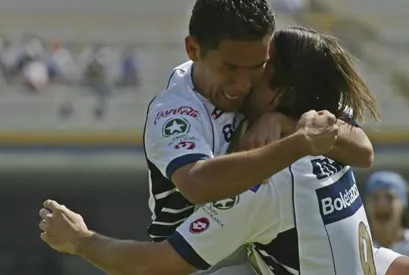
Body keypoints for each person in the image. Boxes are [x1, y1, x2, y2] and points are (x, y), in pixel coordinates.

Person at [38, 27, 409, 275]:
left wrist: (81, 240)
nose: (248, 77)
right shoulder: (322, 138)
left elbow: (156, 265)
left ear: (282, 93)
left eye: (262, 69)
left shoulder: (266, 184)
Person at [144, 0, 372, 245]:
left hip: (254, 247)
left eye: (257, 67)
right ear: (193, 49)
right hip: (196, 258)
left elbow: (362, 151)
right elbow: (198, 183)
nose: (243, 84)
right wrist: (300, 142)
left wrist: (284, 122)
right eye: (229, 68)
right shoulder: (174, 111)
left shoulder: (273, 77)